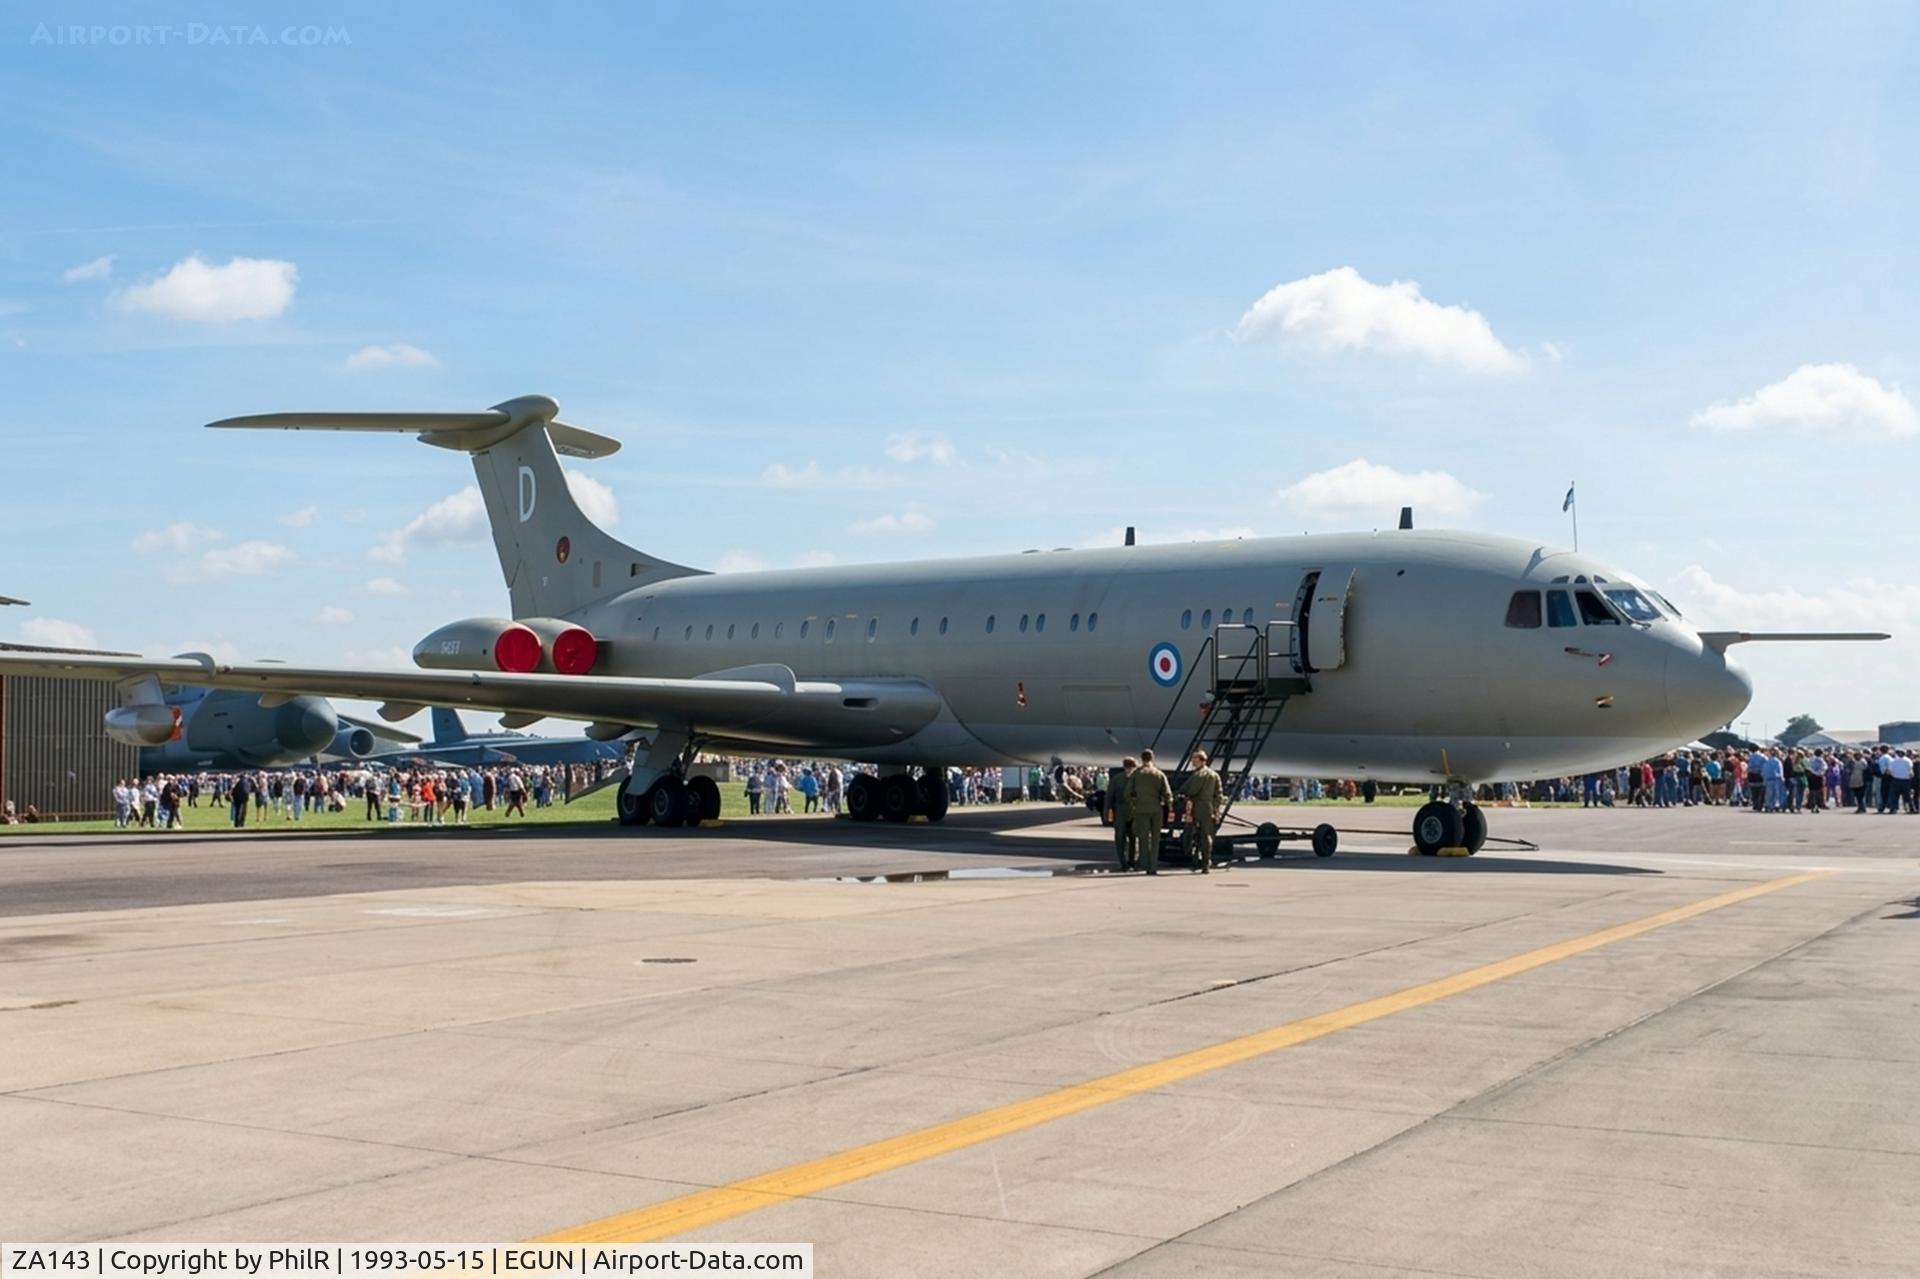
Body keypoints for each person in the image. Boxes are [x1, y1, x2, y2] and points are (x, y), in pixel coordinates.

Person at [1126, 748, 1173, 875]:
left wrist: (1134, 804)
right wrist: (1168, 805)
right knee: (1155, 839)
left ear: (1142, 759)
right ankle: (1153, 867)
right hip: (1156, 809)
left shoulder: (1136, 774)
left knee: (1143, 838)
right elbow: (1168, 794)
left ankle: (1144, 864)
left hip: (1141, 809)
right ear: (1152, 758)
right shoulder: (1159, 774)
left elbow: (1127, 793)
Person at [1180, 750, 1223, 873]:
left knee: (1190, 834)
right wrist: (1215, 810)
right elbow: (1219, 795)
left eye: (1195, 758)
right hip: (1209, 808)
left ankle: (1193, 858)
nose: (1193, 761)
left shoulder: (1197, 775)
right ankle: (1206, 863)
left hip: (1197, 806)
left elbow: (1190, 790)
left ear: (1201, 760)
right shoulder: (1215, 775)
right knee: (1206, 836)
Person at [1105, 758, 1137, 871]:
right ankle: (1132, 861)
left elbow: (1109, 797)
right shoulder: (1138, 779)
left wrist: (1107, 814)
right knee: (1133, 838)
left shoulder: (1116, 779)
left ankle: (1123, 862)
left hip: (1120, 811)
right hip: (1134, 810)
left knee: (1120, 838)